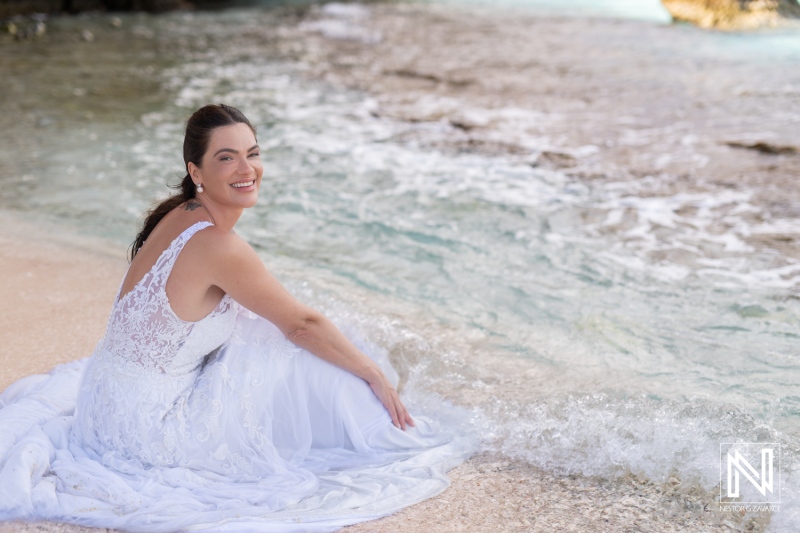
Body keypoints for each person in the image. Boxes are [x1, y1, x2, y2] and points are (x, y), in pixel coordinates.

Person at [0, 104, 470, 532]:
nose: (247, 170)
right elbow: (301, 324)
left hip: (102, 407)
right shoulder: (217, 243)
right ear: (195, 170)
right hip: (144, 433)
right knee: (299, 347)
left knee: (265, 330)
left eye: (253, 153)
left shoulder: (178, 214)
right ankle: (381, 429)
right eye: (226, 158)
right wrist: (372, 373)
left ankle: (366, 418)